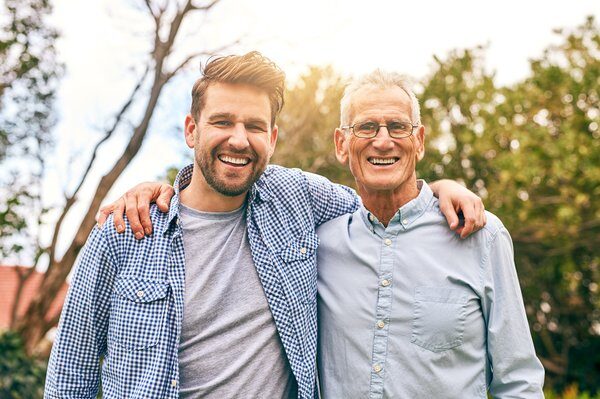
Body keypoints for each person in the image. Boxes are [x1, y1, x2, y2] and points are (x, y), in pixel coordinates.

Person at [48, 52, 484, 399]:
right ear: (191, 130)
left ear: (272, 140)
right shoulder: (126, 233)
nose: (239, 139)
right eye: (222, 122)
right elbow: (71, 375)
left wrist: (441, 188)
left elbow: (383, 203)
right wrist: (145, 188)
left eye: (254, 126)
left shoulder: (298, 198)